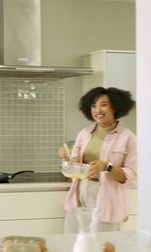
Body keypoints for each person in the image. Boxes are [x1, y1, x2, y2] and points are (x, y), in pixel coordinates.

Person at [58, 87, 137, 233]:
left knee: (102, 244)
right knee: (73, 243)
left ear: (115, 107)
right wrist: (67, 159)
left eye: (104, 104)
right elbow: (76, 167)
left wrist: (106, 166)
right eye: (93, 105)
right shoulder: (84, 133)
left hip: (108, 199)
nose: (97, 110)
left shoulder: (128, 137)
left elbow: (131, 175)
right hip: (80, 194)